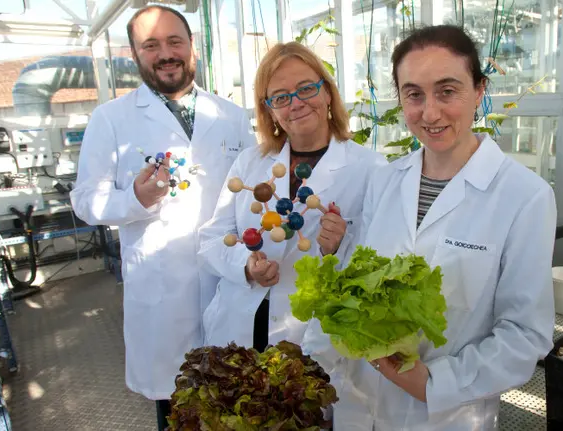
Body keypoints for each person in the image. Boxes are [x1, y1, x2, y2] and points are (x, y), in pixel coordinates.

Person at [304, 25, 557, 430]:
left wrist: (433, 383)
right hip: (358, 401)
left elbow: (524, 333)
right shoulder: (386, 180)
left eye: (447, 90)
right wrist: (312, 360)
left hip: (443, 413)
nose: (430, 112)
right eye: (414, 94)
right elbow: (356, 281)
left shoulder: (525, 197)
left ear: (479, 90)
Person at [69, 5, 254, 430]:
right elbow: (85, 200)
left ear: (193, 48)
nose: (165, 53)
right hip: (160, 293)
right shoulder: (110, 119)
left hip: (227, 284)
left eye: (175, 42)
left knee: (238, 402)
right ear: (134, 54)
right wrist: (135, 197)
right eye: (151, 45)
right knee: (178, 412)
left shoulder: (232, 116)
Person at [197, 42, 385, 354]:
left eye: (306, 89)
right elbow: (212, 239)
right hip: (240, 321)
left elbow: (382, 260)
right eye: (281, 97)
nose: (295, 103)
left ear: (327, 93)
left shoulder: (372, 168)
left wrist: (338, 249)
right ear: (269, 110)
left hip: (310, 331)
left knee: (300, 398)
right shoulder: (250, 162)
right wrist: (246, 266)